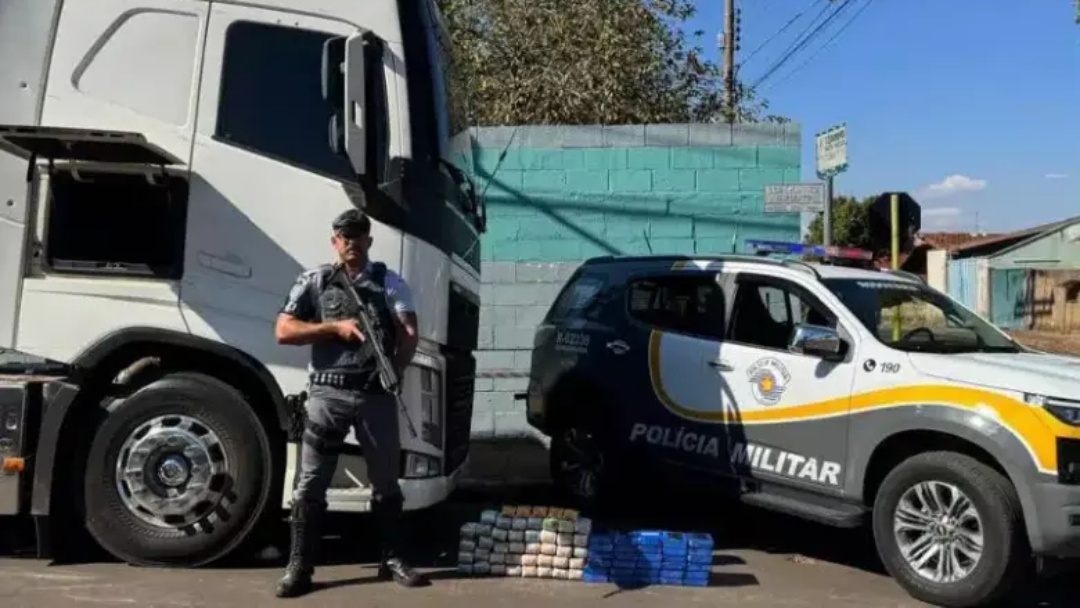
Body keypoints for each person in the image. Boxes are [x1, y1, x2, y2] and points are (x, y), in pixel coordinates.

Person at [273, 208, 427, 598]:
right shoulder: (315, 281)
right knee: (311, 483)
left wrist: (395, 368)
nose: (352, 242)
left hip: (375, 393)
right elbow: (283, 330)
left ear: (369, 242)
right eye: (345, 236)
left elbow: (409, 332)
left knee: (387, 480)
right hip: (327, 394)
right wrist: (333, 328)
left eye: (359, 236)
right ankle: (300, 567)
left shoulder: (389, 282)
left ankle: (391, 558)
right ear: (334, 241)